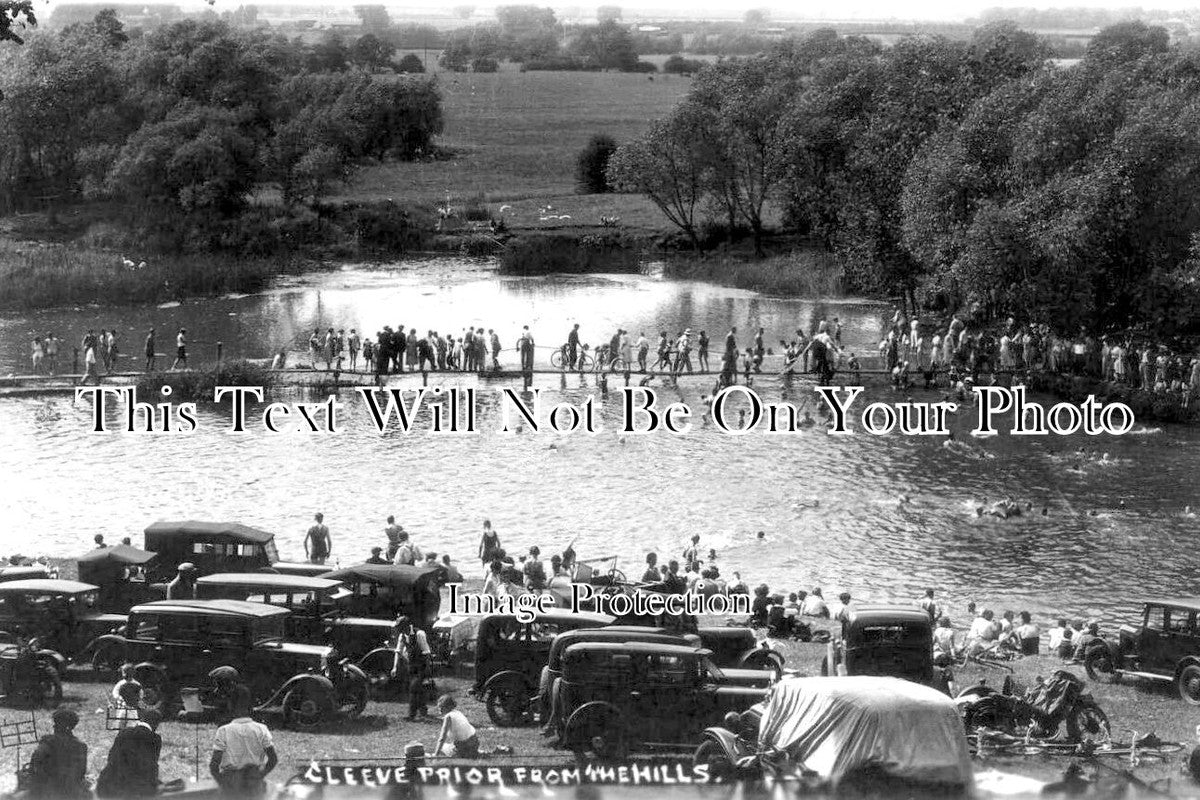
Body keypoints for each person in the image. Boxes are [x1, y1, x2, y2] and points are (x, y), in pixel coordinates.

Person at [210, 697, 277, 800]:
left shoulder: (223, 730)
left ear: (231, 708)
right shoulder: (261, 729)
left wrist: (222, 783)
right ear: (251, 709)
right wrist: (260, 776)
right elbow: (273, 760)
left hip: (231, 780)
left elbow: (214, 765)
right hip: (254, 781)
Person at [96, 707, 163, 799]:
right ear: (156, 724)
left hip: (107, 785)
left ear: (142, 719)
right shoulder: (155, 739)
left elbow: (111, 757)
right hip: (133, 790)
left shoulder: (124, 732)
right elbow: (152, 765)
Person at [25, 708, 89, 799]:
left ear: (63, 726)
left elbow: (35, 766)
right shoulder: (81, 746)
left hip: (49, 791)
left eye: (56, 724)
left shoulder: (47, 743)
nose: (53, 727)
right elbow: (81, 772)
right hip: (72, 791)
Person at [399, 616, 432, 721]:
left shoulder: (419, 634)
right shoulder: (403, 636)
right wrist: (395, 667)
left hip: (421, 666)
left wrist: (427, 669)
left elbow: (426, 652)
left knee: (413, 689)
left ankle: (411, 715)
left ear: (407, 626)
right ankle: (423, 710)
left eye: (401, 627)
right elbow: (398, 651)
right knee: (418, 689)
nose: (400, 629)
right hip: (411, 666)